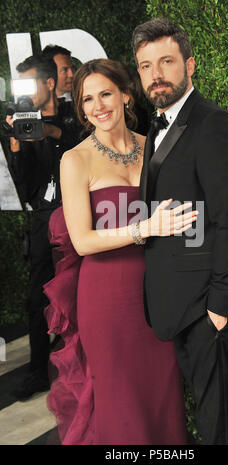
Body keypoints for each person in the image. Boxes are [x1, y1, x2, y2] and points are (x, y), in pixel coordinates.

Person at [43, 58, 198, 445]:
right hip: (108, 298)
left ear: (126, 95)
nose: (98, 106)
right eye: (87, 100)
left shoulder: (156, 148)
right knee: (122, 405)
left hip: (160, 293)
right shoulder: (75, 160)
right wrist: (144, 228)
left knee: (165, 400)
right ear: (80, 108)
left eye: (106, 94)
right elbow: (82, 241)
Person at [132, 17, 228, 445]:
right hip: (182, 306)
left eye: (167, 61)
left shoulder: (214, 124)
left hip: (209, 307)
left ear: (189, 65)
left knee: (221, 428)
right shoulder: (157, 127)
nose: (156, 75)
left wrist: (220, 306)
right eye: (145, 66)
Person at [6, 54, 81, 400]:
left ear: (50, 84)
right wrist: (17, 142)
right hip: (43, 219)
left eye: (30, 83)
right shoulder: (21, 124)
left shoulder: (74, 117)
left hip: (80, 217)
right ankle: (38, 369)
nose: (25, 92)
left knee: (81, 295)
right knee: (37, 297)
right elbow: (25, 188)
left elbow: (81, 150)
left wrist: (51, 131)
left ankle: (85, 365)